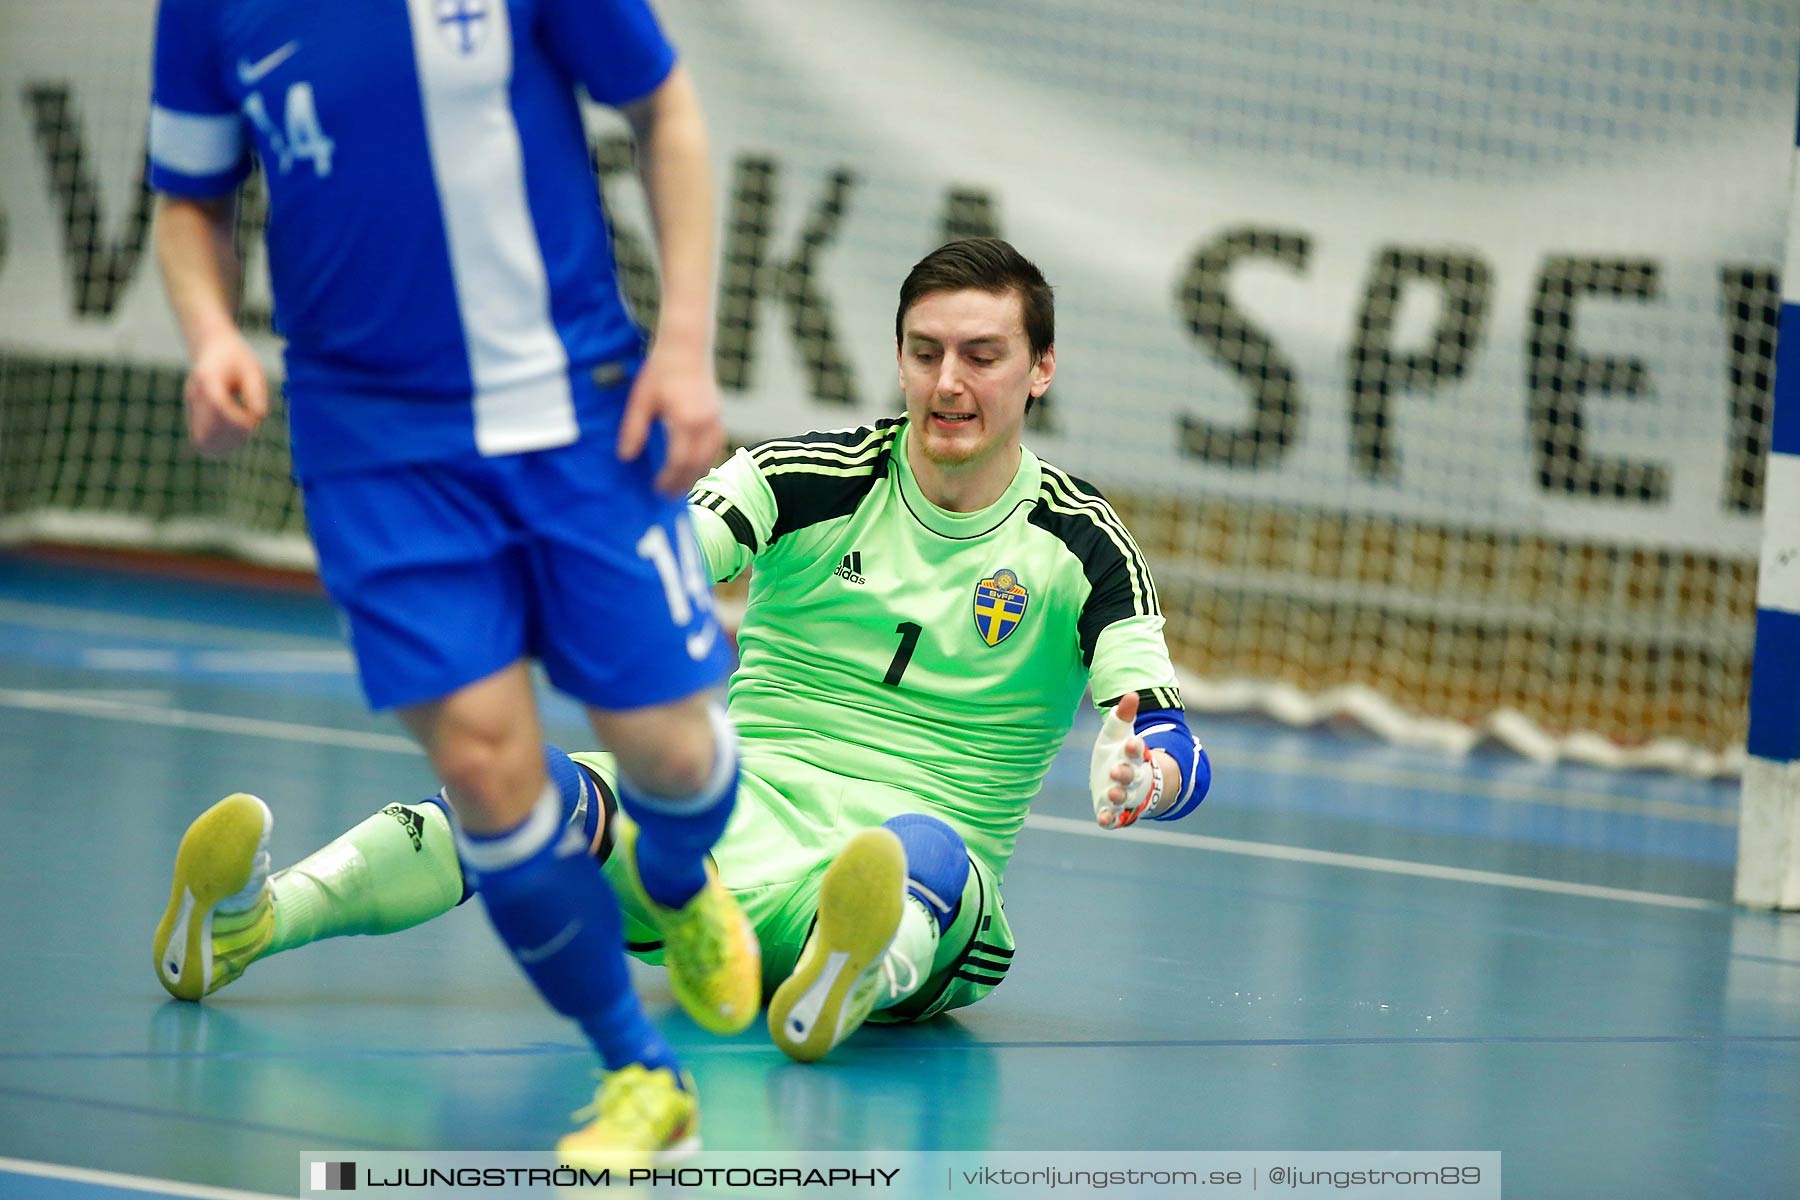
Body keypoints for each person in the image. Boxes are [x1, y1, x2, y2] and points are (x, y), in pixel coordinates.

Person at [157, 237, 1211, 1069]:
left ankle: (843, 981)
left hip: (913, 883)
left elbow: (1167, 737)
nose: (948, 382)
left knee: (915, 852)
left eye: (982, 356)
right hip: (707, 858)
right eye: (925, 351)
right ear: (898, 357)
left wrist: (1145, 771)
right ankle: (250, 923)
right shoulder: (808, 477)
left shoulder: (1079, 544)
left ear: (1040, 370)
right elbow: (664, 549)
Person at [144, 0, 758, 1164]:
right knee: (483, 764)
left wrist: (685, 344)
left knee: (670, 754)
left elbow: (664, 108)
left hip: (576, 409)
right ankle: (638, 1069)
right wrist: (213, 332)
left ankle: (677, 879)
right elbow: (190, 198)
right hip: (375, 452)